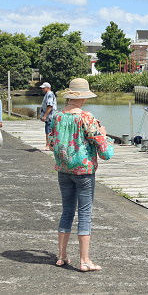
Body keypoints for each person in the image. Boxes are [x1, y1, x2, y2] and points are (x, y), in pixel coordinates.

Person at [49, 78, 114, 272]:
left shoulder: (57, 116)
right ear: (83, 97)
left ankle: (61, 256)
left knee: (67, 211)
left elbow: (53, 142)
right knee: (84, 214)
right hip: (84, 171)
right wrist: (104, 134)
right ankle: (85, 260)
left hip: (63, 170)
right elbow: (106, 152)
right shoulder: (86, 117)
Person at [40, 82, 57, 151]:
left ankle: (48, 146)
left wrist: (45, 116)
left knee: (48, 131)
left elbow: (50, 106)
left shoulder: (49, 94)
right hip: (49, 117)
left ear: (48, 88)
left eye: (43, 88)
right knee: (49, 130)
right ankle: (50, 145)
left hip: (50, 117)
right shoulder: (48, 94)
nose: (42, 89)